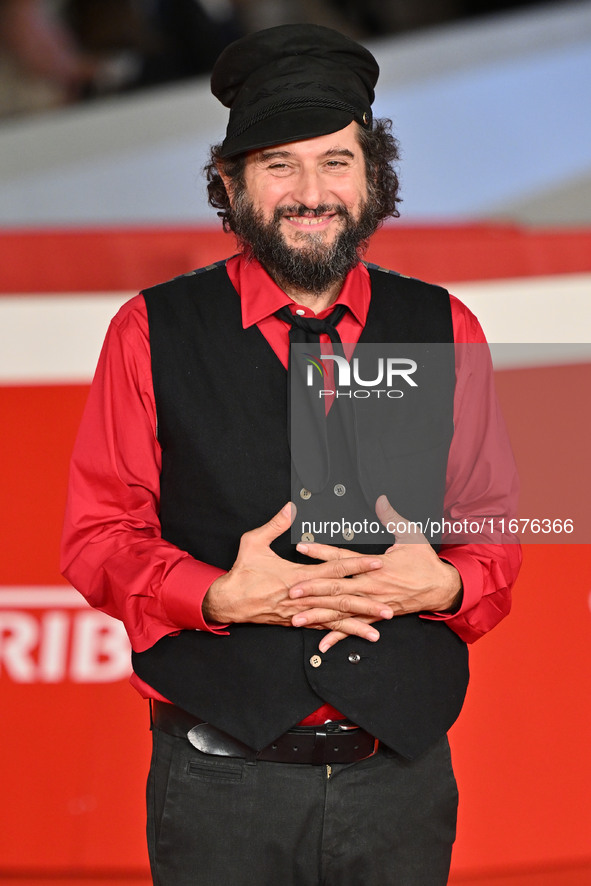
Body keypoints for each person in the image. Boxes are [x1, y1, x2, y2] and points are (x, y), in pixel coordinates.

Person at [61, 23, 521, 886]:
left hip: (401, 785)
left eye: (335, 162)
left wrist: (451, 582)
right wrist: (216, 595)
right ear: (230, 186)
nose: (311, 192)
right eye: (279, 165)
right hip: (219, 785)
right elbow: (96, 537)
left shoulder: (445, 327)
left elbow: (495, 530)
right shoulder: (150, 330)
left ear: (373, 179)